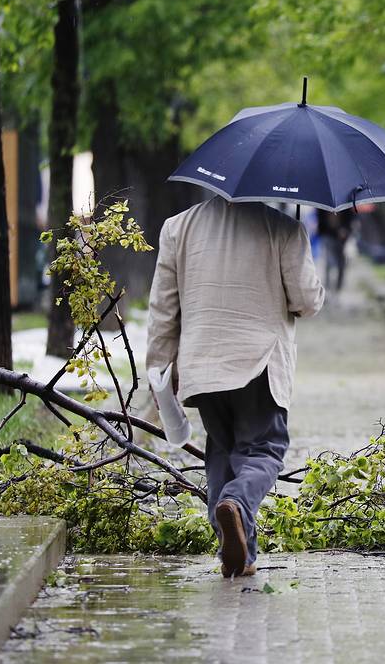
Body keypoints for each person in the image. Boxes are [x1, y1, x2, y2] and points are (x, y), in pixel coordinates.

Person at [146, 195, 324, 577]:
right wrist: (297, 244)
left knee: (224, 449)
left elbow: (163, 308)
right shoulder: (282, 227)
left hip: (201, 366)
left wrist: (160, 369)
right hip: (257, 363)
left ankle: (242, 555)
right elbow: (306, 301)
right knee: (263, 448)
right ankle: (237, 506)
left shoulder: (178, 227)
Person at [317, 210, 355, 291]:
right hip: (327, 234)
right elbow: (320, 218)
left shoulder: (346, 203)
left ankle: (338, 287)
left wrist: (345, 230)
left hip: (342, 238)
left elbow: (350, 218)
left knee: (341, 263)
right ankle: (327, 287)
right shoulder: (322, 204)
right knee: (329, 261)